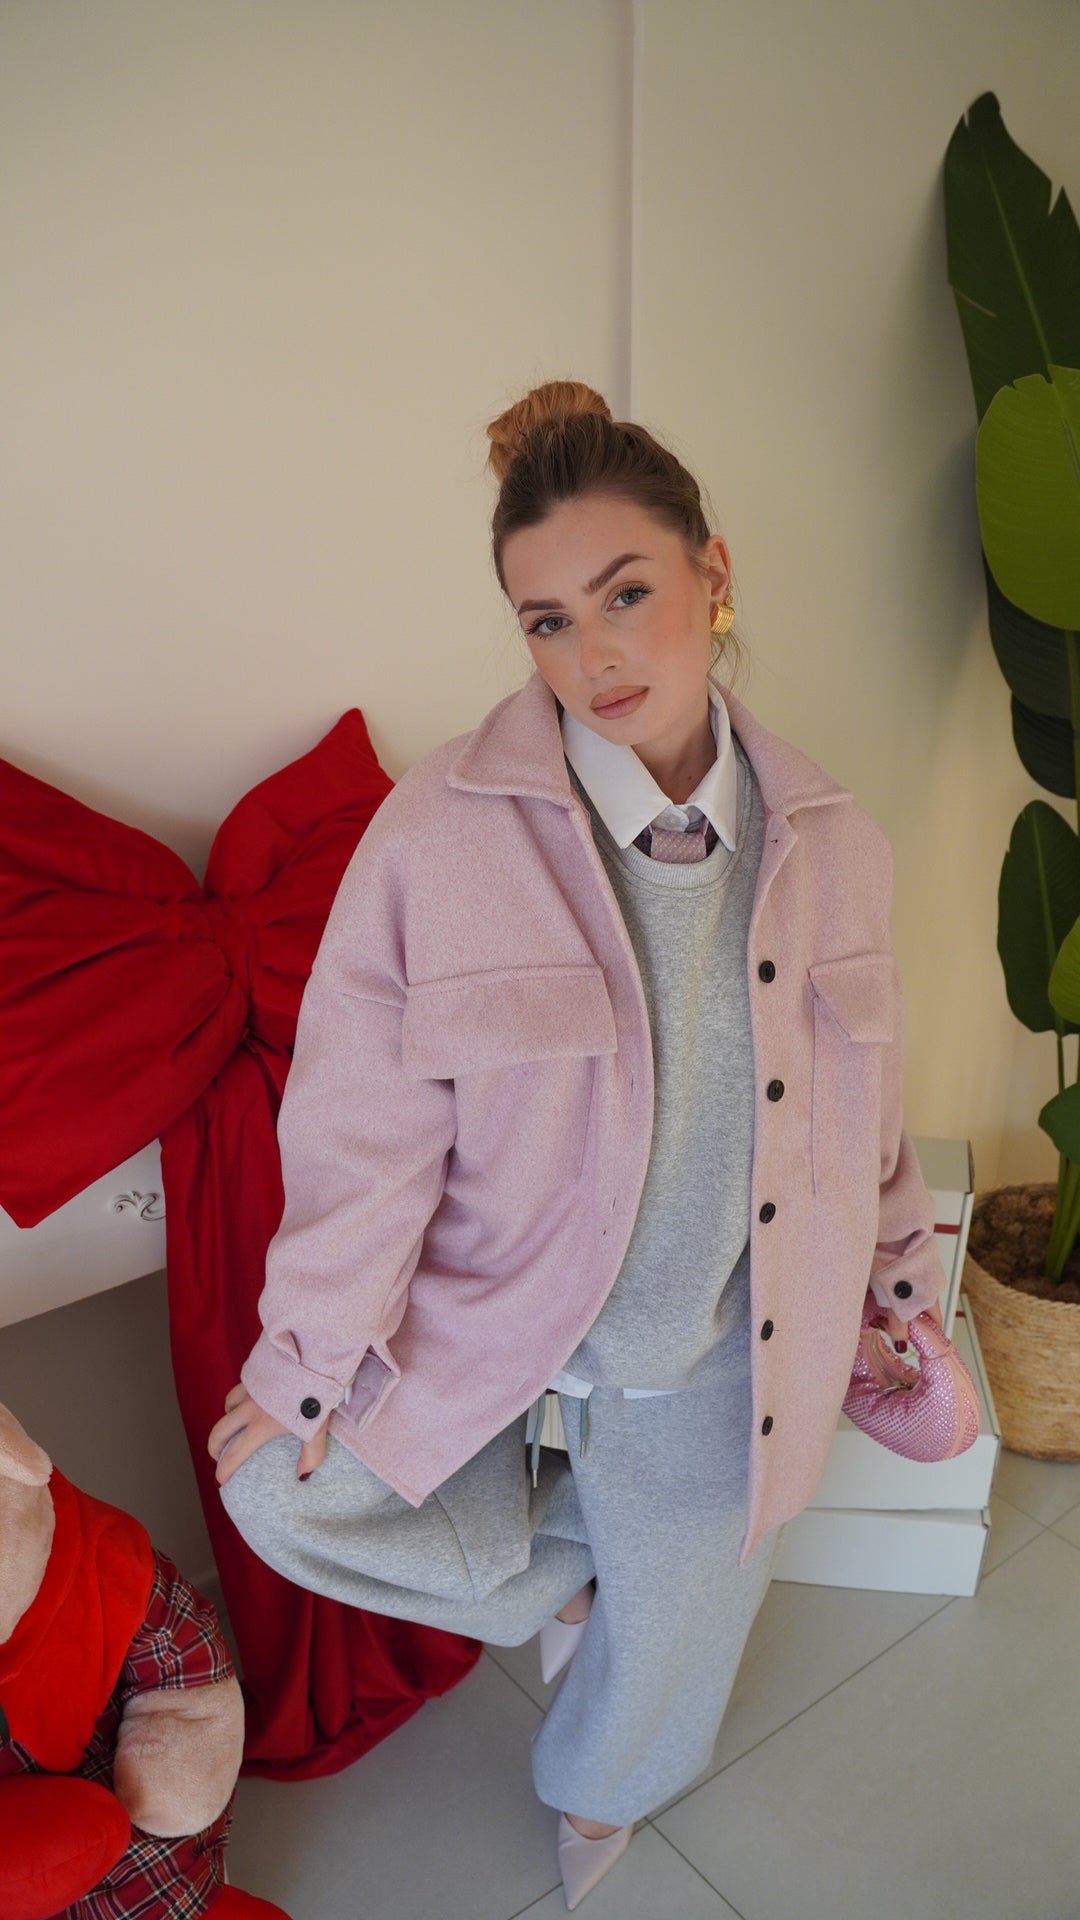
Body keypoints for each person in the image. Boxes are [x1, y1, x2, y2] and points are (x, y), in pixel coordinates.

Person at [208, 381, 942, 1911]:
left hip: (718, 1343)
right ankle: (574, 1569)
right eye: (546, 620)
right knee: (278, 1485)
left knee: (673, 1653)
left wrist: (896, 1281)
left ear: (712, 574)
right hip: (495, 1322)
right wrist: (310, 1357)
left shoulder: (837, 843)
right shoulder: (439, 836)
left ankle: (606, 1771)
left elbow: (865, 1107)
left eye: (625, 595)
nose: (594, 654)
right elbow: (361, 1124)